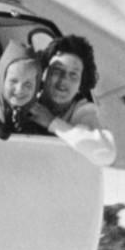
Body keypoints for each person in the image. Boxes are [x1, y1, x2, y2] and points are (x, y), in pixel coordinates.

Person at [27, 34, 117, 166]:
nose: (64, 80)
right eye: (57, 71)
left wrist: (52, 122)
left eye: (73, 75)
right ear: (44, 73)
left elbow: (106, 154)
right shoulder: (28, 97)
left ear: (81, 84)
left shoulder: (82, 111)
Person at [0, 39, 49, 137]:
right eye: (13, 81)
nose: (20, 89)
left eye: (28, 84)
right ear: (2, 80)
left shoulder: (39, 116)